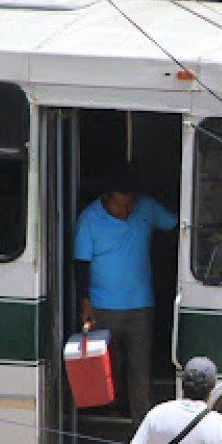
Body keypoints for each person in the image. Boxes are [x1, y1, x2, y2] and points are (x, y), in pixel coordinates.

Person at [74, 176, 178, 425]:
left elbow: (176, 225)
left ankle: (141, 423)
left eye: (129, 204)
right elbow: (81, 265)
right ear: (106, 198)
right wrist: (85, 301)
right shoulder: (89, 220)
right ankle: (108, 413)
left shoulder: (146, 208)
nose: (125, 210)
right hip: (102, 306)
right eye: (119, 205)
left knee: (140, 367)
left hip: (141, 305)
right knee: (109, 365)